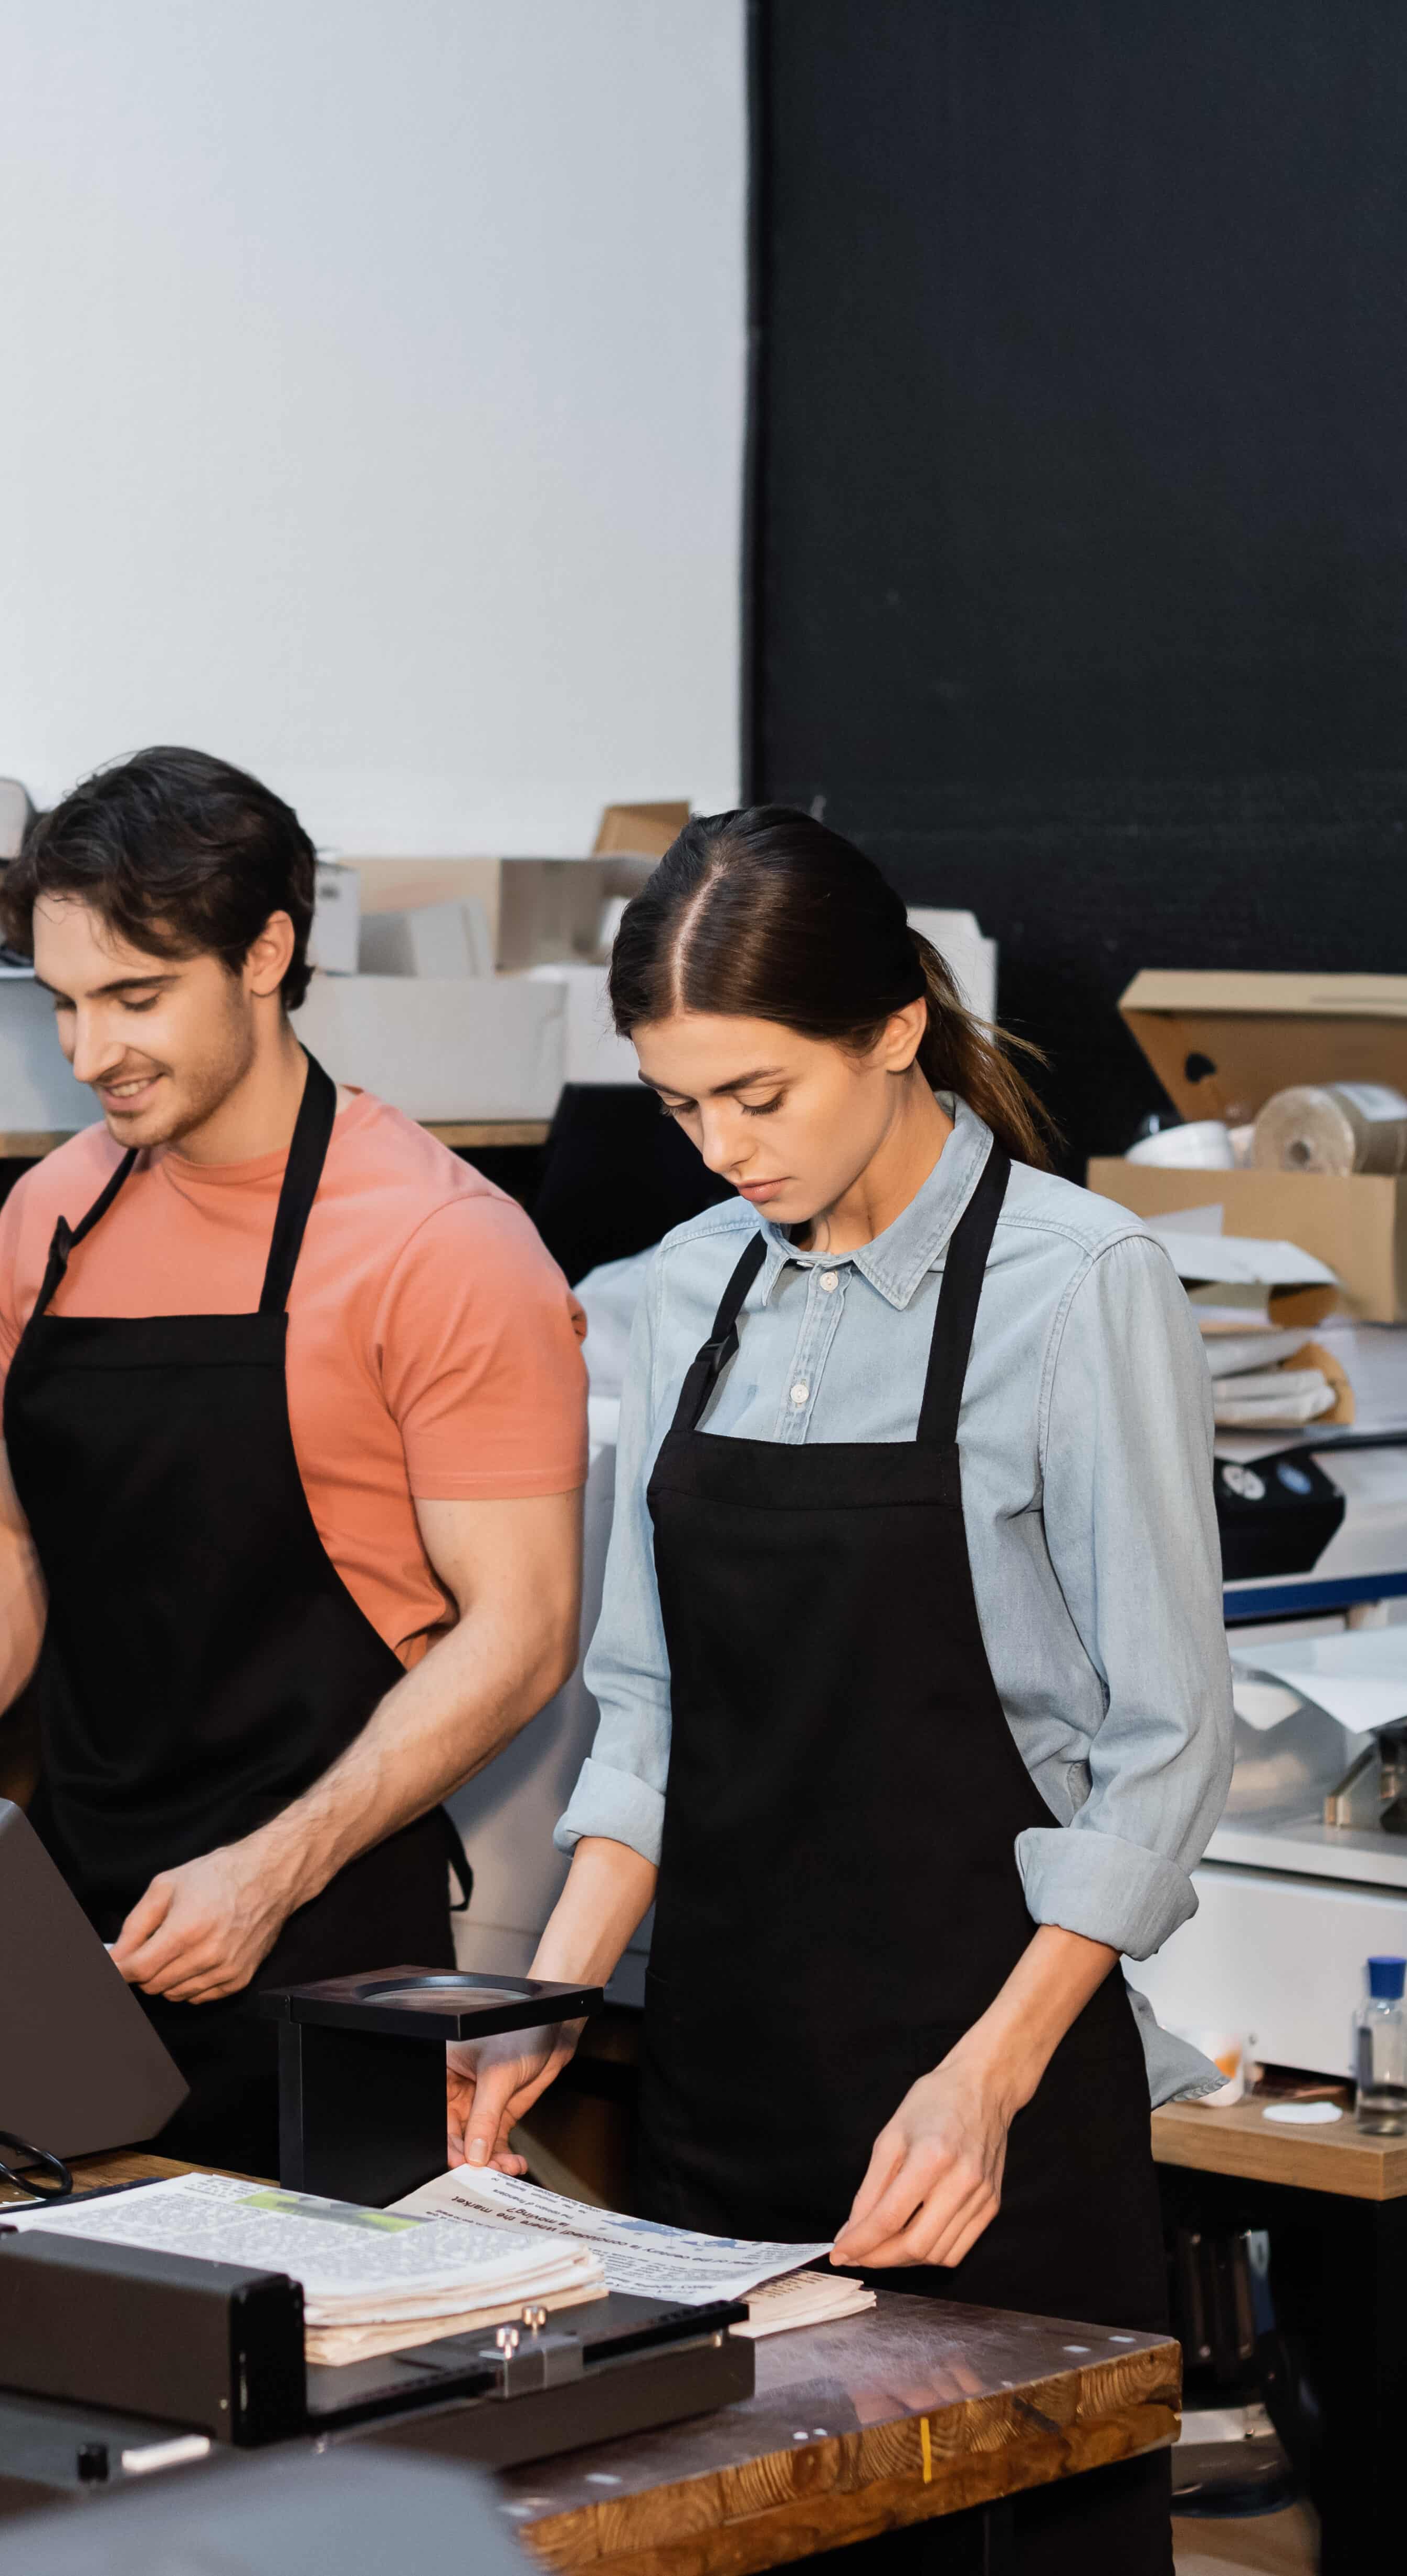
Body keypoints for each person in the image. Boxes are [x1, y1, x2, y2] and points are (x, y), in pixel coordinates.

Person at [447, 809, 1233, 2574]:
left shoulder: (1079, 1284)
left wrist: (983, 2082)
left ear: (891, 1028)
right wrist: (541, 2006)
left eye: (759, 1095)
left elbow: (1164, 1755)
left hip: (989, 2115)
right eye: (679, 1107)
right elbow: (645, 1713)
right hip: (721, 2114)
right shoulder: (679, 1292)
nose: (721, 1149)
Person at [0, 747, 587, 2174]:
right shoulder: (50, 1220)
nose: (89, 1054)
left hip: (325, 1944)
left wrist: (274, 1868)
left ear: (267, 952)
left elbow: (523, 1629)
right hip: (68, 1927)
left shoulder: (440, 1243)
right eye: (64, 1004)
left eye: (136, 998)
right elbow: (5, 1545)